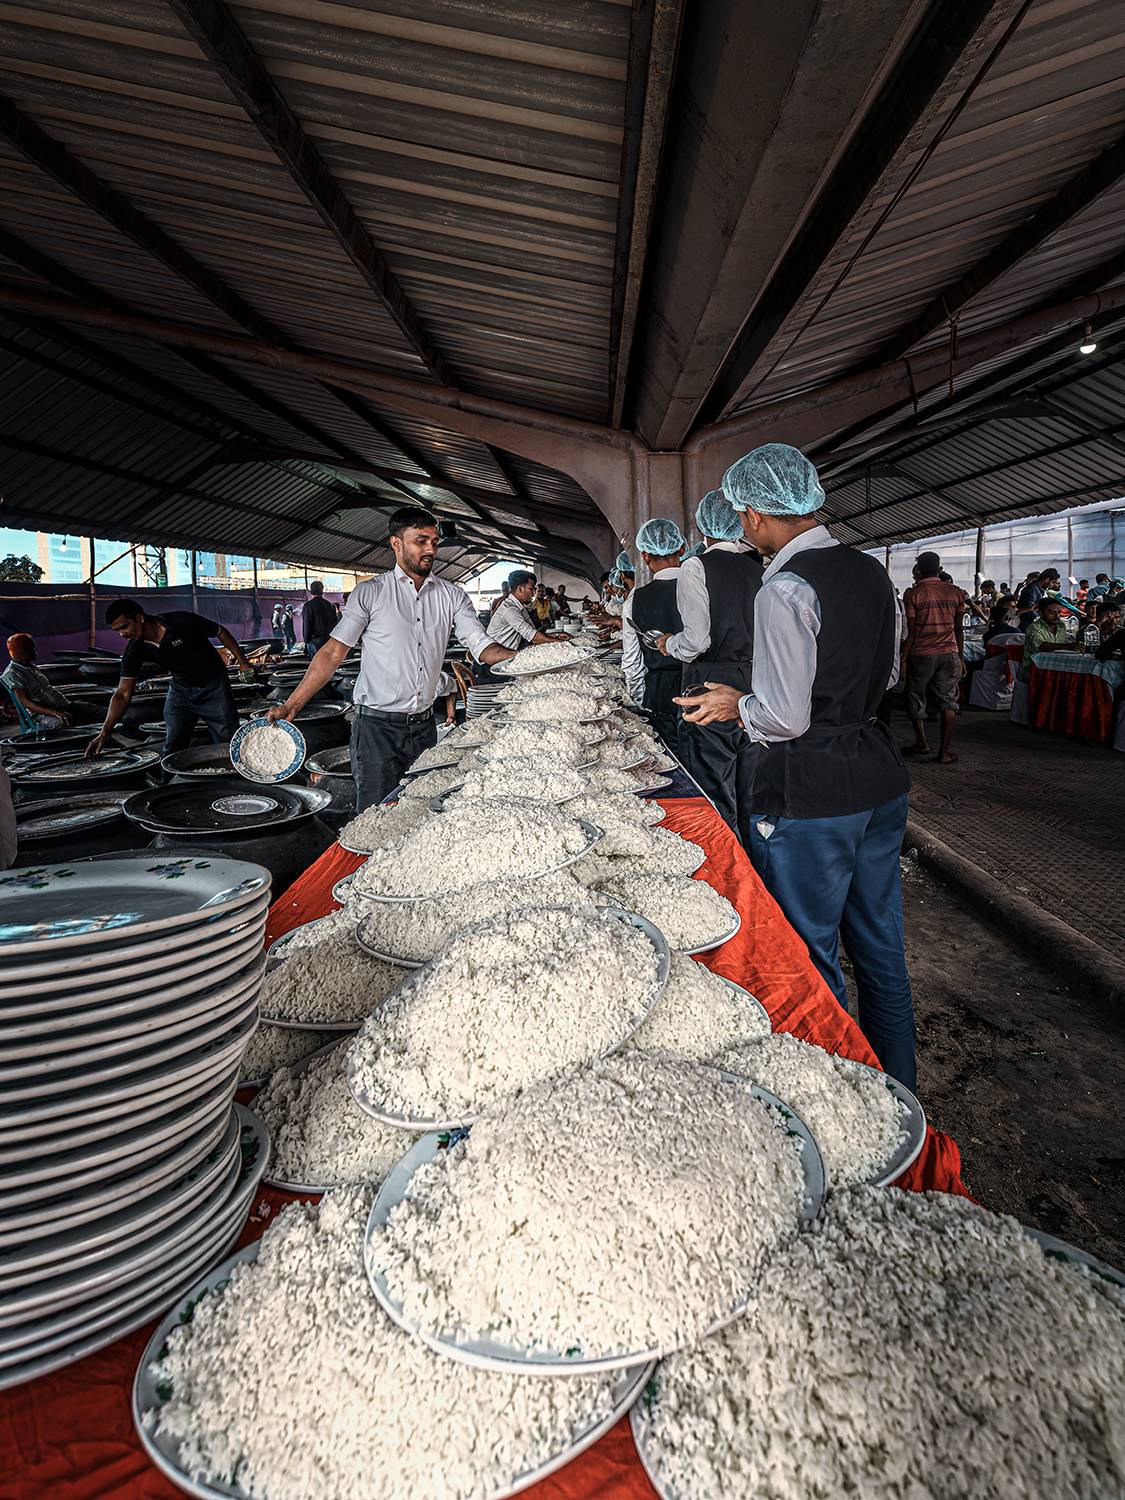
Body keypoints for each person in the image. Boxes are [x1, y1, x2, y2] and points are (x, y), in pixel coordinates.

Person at [673, 442, 916, 1088]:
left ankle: (835, 1095)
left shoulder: (783, 588)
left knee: (808, 954)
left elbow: (783, 717)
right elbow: (888, 675)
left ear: (754, 515)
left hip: (812, 792)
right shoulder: (873, 573)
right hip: (876, 777)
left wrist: (736, 705)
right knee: (880, 948)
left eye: (741, 516)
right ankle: (899, 1087)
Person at [267, 506, 516, 812]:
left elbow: (482, 646)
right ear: (396, 543)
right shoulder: (371, 593)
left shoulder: (452, 595)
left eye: (434, 542)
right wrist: (292, 705)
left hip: (424, 726)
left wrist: (530, 659)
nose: (430, 550)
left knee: (421, 812)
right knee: (375, 814)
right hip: (376, 730)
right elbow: (332, 653)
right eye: (420, 541)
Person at [656, 488, 763, 834]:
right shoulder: (760, 570)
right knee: (750, 786)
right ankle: (752, 855)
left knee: (713, 786)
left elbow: (697, 641)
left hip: (710, 684)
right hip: (754, 686)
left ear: (704, 526)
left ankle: (727, 858)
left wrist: (669, 643)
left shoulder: (696, 567)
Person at [87, 599, 253, 757]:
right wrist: (105, 732)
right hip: (181, 691)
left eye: (124, 627)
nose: (122, 634)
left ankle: (233, 774)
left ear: (139, 618)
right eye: (117, 631)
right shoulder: (135, 649)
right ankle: (170, 776)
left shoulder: (181, 621)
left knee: (227, 740)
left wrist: (243, 662)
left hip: (214, 686)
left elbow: (220, 632)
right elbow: (123, 693)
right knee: (173, 742)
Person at [621, 518, 687, 752]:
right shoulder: (704, 589)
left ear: (645, 556)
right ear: (682, 549)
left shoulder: (634, 601)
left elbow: (632, 662)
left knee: (672, 758)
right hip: (704, 688)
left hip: (659, 693)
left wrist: (640, 701)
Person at [900, 551, 966, 765]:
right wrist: (960, 657)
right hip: (950, 653)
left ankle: (922, 743)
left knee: (915, 696)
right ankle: (944, 752)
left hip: (922, 653)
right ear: (940, 569)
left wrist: (904, 657)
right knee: (949, 701)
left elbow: (912, 631)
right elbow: (958, 629)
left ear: (917, 570)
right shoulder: (957, 592)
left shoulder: (913, 593)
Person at [2, 634, 101, 730]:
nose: (36, 650)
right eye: (33, 648)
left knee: (99, 712)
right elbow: (25, 702)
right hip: (41, 715)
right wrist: (55, 713)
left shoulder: (30, 667)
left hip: (62, 706)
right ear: (23, 652)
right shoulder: (13, 673)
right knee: (62, 724)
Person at [487, 570, 565, 650]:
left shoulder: (520, 607)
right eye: (531, 589)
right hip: (496, 655)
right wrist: (563, 643)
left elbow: (533, 632)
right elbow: (533, 637)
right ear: (520, 589)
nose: (534, 593)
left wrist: (557, 635)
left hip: (508, 651)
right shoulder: (510, 610)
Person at [1019, 596, 1069, 680]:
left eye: (1059, 612)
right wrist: (1068, 646)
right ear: (1041, 613)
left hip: (1055, 667)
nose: (1057, 616)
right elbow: (1041, 646)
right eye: (1051, 612)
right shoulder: (1034, 627)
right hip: (1034, 670)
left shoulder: (1061, 626)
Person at [302, 580, 337, 659]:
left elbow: (307, 625)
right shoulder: (330, 605)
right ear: (322, 590)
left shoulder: (308, 606)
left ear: (311, 591)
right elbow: (335, 624)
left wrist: (306, 641)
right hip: (329, 641)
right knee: (328, 663)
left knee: (316, 663)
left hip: (314, 642)